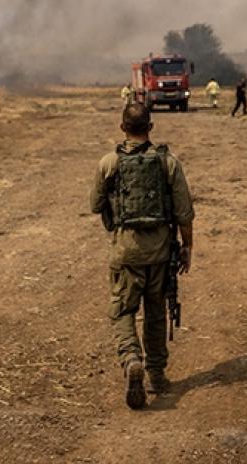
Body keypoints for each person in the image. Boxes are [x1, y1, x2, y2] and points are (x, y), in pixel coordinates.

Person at [90, 102, 194, 409]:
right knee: (156, 313)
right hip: (161, 252)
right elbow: (185, 213)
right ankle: (156, 376)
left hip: (126, 251)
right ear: (150, 128)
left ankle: (131, 358)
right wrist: (187, 247)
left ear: (123, 128)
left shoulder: (109, 163)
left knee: (123, 311)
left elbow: (95, 204)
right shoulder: (168, 163)